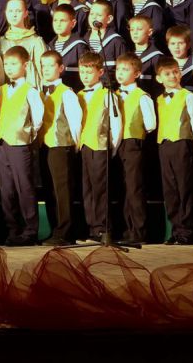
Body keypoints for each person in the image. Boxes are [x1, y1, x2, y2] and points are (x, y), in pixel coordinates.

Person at [0, 46, 45, 246]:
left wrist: (27, 134)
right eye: (6, 64)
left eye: (13, 64)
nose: (9, 68)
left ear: (25, 66)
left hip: (21, 144)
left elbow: (38, 119)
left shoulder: (30, 91)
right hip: (2, 144)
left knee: (24, 186)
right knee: (6, 189)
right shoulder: (2, 90)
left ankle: (30, 230)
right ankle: (12, 229)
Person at [154, 57, 193, 245]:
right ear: (159, 78)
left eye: (175, 72)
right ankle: (175, 230)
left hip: (183, 144)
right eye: (167, 73)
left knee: (184, 188)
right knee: (170, 189)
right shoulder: (159, 99)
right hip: (165, 145)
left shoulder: (188, 96)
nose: (172, 76)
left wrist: (192, 147)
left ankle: (187, 231)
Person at [38, 50, 82, 246]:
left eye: (50, 65)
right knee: (49, 190)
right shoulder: (40, 92)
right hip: (44, 146)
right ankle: (55, 229)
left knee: (62, 191)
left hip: (61, 146)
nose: (46, 69)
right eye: (43, 66)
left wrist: (73, 146)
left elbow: (75, 123)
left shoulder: (67, 93)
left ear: (61, 68)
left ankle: (65, 231)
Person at [78, 52, 122, 242]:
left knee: (100, 190)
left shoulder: (108, 94)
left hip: (101, 146)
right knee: (87, 190)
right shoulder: (79, 95)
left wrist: (112, 147)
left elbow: (116, 124)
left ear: (100, 72)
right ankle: (92, 229)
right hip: (85, 146)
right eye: (82, 72)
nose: (85, 76)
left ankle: (103, 228)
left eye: (89, 72)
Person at [115, 53, 156, 244]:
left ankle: (138, 231)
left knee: (134, 187)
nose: (120, 73)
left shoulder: (142, 96)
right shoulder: (113, 95)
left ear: (137, 73)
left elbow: (151, 124)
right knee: (122, 188)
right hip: (116, 144)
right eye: (118, 69)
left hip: (133, 143)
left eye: (125, 69)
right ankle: (126, 229)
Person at [0, 0, 46, 87]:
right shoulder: (0, 42)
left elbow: (43, 71)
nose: (14, 15)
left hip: (30, 89)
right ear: (5, 13)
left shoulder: (36, 41)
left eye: (18, 11)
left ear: (25, 13)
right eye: (10, 11)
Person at [85, 0, 129, 87]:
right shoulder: (82, 42)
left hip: (110, 89)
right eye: (91, 14)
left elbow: (124, 69)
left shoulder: (116, 41)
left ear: (109, 19)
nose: (94, 17)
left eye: (99, 15)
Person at [48, 4, 87, 91]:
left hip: (75, 91)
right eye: (55, 20)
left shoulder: (79, 45)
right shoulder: (49, 46)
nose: (58, 24)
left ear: (73, 23)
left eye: (62, 21)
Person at [128, 16, 165, 97]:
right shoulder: (128, 56)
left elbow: (159, 88)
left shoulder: (157, 58)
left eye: (139, 29)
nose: (135, 33)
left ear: (150, 32)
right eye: (132, 30)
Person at [165, 25, 193, 93]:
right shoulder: (164, 65)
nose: (176, 47)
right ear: (168, 45)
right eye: (173, 43)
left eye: (180, 43)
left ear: (188, 45)